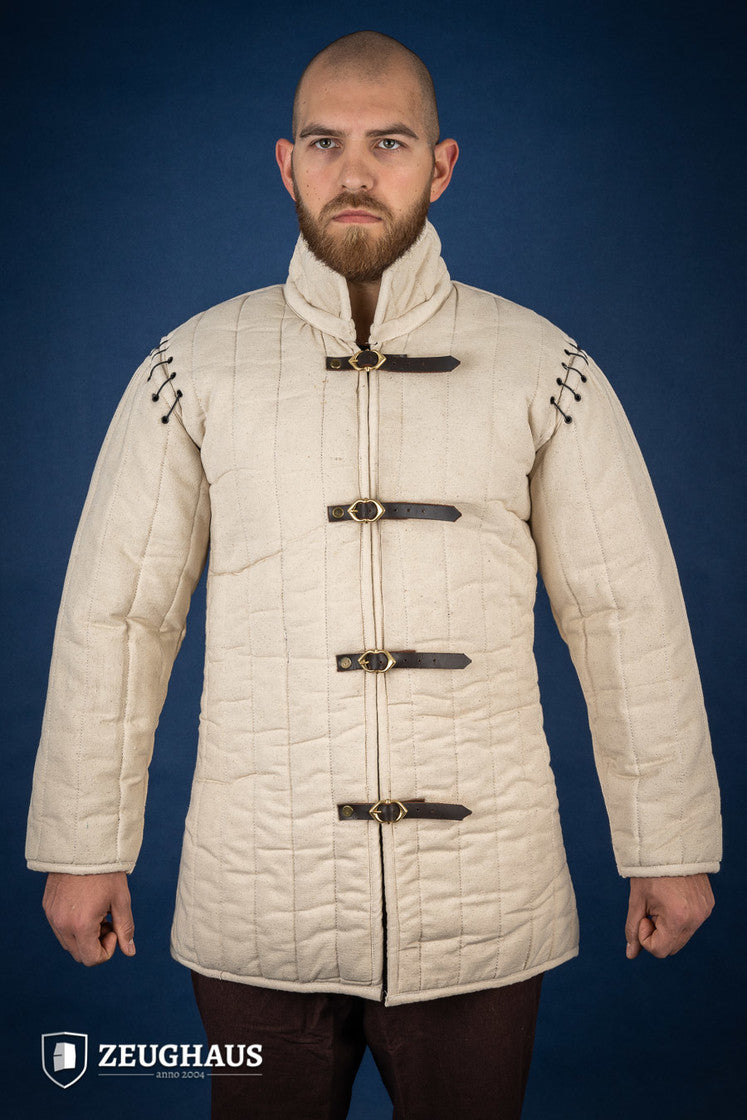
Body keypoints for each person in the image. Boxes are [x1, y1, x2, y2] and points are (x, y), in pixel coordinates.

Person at [27, 30, 721, 1120]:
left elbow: (625, 615)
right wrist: (82, 846)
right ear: (286, 164)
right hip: (261, 901)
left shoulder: (545, 370)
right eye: (325, 143)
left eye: (387, 143)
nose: (354, 173)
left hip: (482, 907)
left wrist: (668, 844)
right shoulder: (189, 371)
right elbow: (118, 619)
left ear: (440, 166)